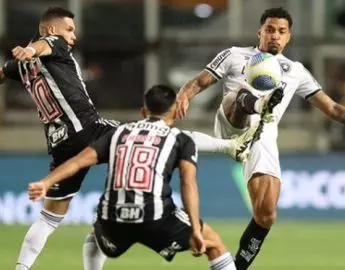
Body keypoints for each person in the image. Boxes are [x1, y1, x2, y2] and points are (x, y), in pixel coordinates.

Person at [0, 6, 262, 270]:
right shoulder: (54, 44)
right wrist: (32, 49)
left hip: (61, 144)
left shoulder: (18, 67)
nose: (73, 37)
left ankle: (21, 268)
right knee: (160, 132)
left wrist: (25, 55)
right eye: (69, 30)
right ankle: (230, 146)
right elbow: (46, 44)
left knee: (49, 219)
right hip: (90, 128)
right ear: (50, 29)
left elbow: (5, 71)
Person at [176, 6, 345, 270]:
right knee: (238, 96)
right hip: (233, 121)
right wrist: (183, 95)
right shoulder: (235, 55)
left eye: (281, 31)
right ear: (260, 32)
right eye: (270, 30)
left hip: (263, 136)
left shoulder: (296, 71)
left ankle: (236, 268)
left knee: (266, 215)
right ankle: (260, 102)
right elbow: (199, 82)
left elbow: (333, 109)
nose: (275, 36)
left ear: (288, 36)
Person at [27, 85, 238, 270]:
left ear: (143, 111)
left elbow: (78, 161)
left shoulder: (118, 133)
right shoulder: (180, 139)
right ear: (175, 111)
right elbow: (187, 183)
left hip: (113, 219)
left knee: (95, 237)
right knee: (214, 243)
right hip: (156, 218)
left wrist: (46, 182)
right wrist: (195, 230)